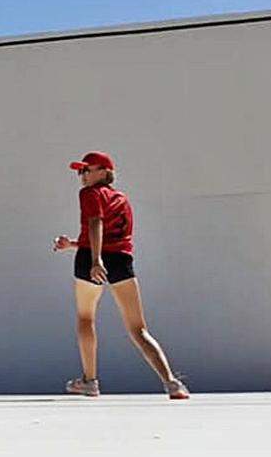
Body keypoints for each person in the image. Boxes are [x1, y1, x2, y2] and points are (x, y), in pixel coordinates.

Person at [52, 151, 189, 400]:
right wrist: (72, 244)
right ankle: (172, 383)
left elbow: (96, 223)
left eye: (87, 169)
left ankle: (89, 381)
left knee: (85, 319)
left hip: (91, 260)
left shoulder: (90, 194)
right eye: (80, 172)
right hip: (121, 261)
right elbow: (113, 236)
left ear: (104, 171)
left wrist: (95, 260)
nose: (82, 176)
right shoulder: (122, 199)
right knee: (138, 328)